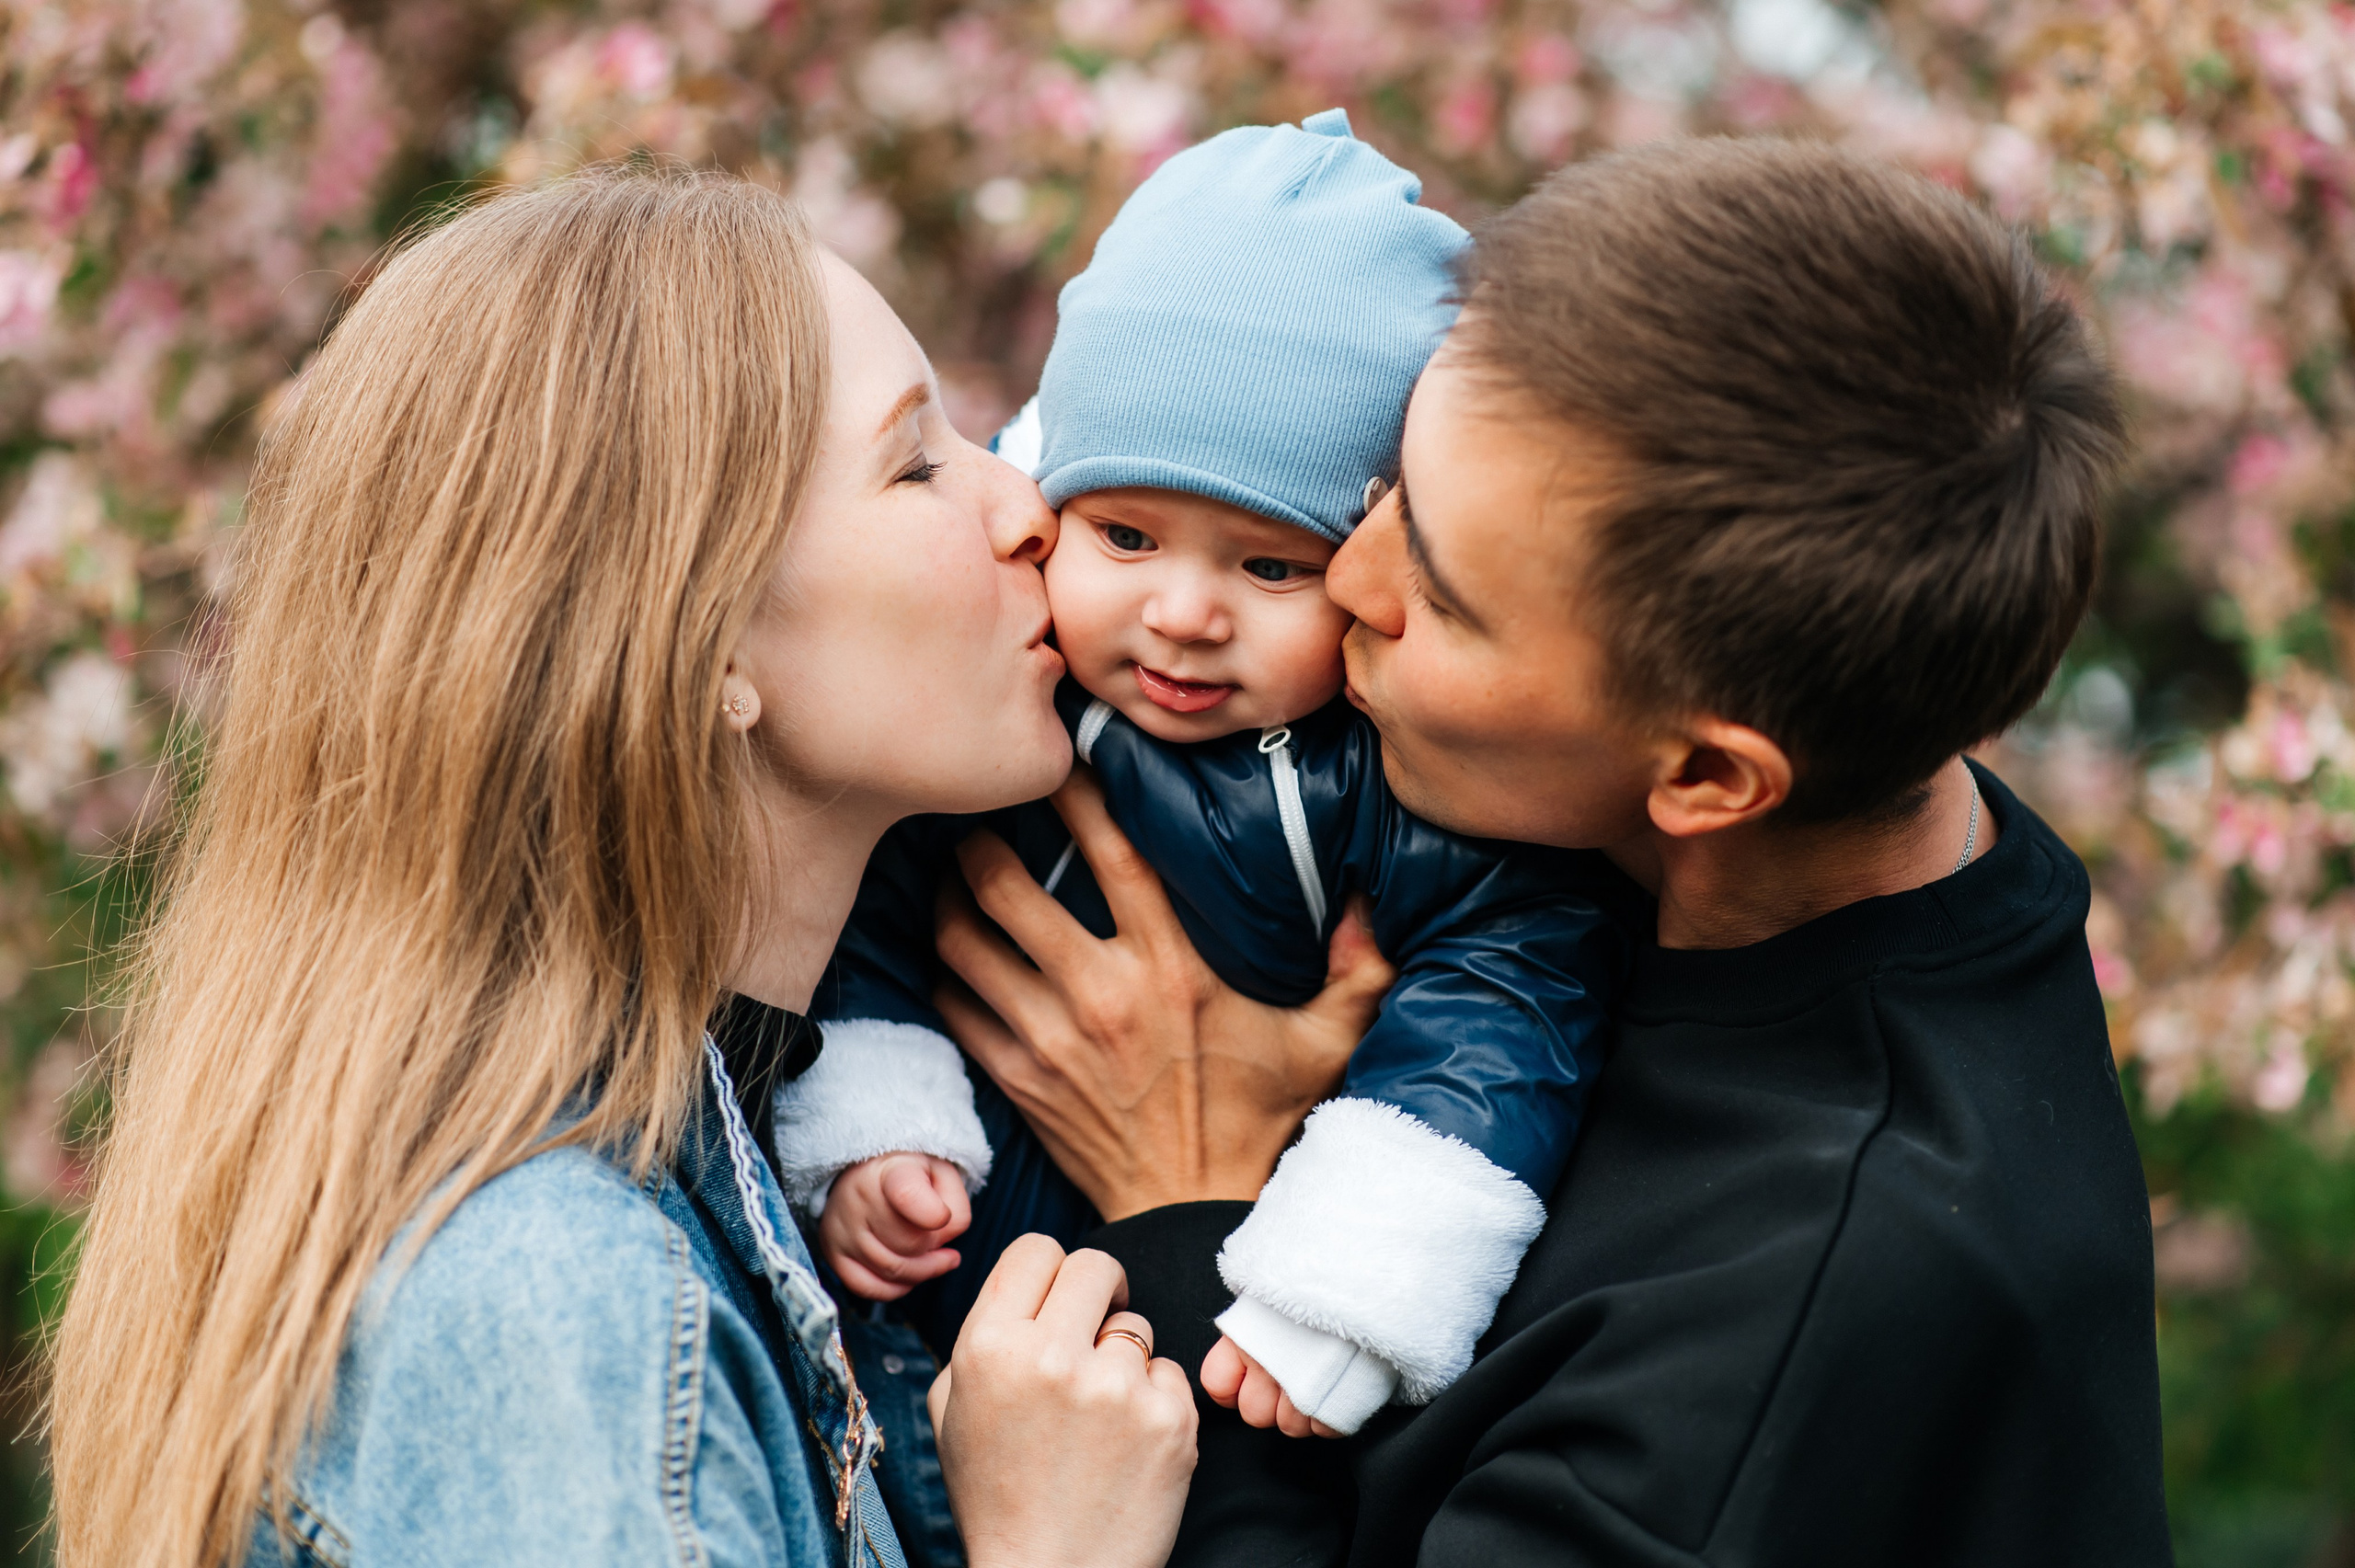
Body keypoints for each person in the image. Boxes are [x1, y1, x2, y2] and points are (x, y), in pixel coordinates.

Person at [929, 137, 2174, 1564]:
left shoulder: (1776, 1341)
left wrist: (1184, 1211)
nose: (1349, 577)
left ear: (1706, 773)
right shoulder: (1792, 817)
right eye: (1386, 486)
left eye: (1444, 599)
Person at [44, 169, 1269, 1568]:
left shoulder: (724, 1178)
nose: (1026, 503)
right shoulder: (571, 1308)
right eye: (917, 461)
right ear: (705, 645)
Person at [778, 109, 1632, 1440]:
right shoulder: (1000, 683)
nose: (1182, 613)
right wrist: (881, 1119)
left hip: (1222, 1306)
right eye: (1124, 531)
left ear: (1366, 562)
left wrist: (1347, 1276)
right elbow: (874, 887)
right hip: (956, 1300)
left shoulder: (1393, 772)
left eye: (1269, 565)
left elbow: (1508, 987)